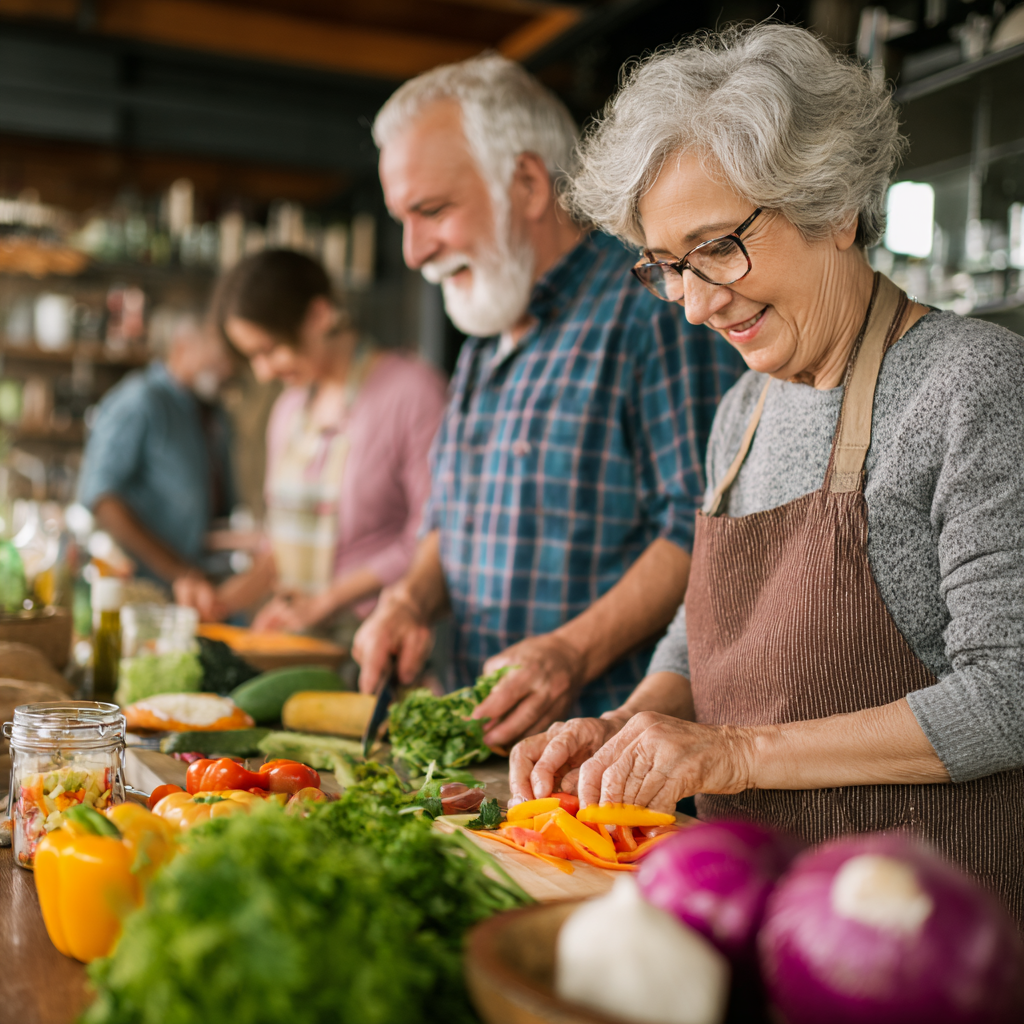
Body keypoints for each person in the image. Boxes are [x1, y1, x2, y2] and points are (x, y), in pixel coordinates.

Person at [509, 23, 1024, 917]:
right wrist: (628, 729)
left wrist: (733, 755)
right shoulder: (742, 411)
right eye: (667, 266)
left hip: (910, 935)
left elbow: (1010, 695)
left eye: (716, 248)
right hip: (744, 907)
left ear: (830, 205)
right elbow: (704, 643)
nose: (697, 304)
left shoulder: (971, 386)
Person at [355, 54, 744, 747]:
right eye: (401, 220)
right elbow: (452, 520)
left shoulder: (653, 310)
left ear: (528, 183)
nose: (413, 252)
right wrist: (410, 600)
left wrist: (571, 652)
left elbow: (703, 529)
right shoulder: (483, 339)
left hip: (616, 761)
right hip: (491, 757)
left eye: (432, 211)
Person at [175, 250, 446, 643]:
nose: (263, 371)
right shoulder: (288, 409)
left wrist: (327, 600)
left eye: (269, 350)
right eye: (252, 357)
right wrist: (222, 599)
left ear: (319, 316)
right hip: (299, 646)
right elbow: (278, 546)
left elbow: (430, 540)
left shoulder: (413, 393)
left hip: (381, 642)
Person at [78, 306, 235, 595]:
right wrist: (179, 573)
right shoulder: (140, 401)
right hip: (142, 590)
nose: (226, 369)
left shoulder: (210, 413)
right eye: (218, 357)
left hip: (202, 585)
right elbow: (102, 498)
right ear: (182, 346)